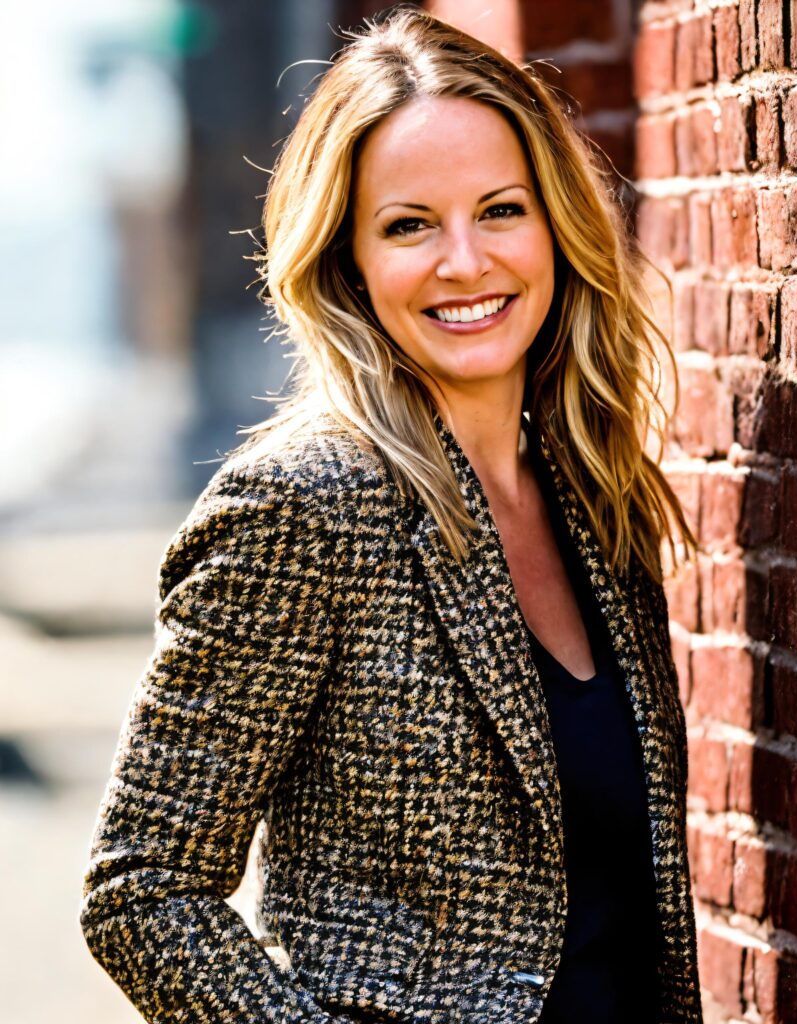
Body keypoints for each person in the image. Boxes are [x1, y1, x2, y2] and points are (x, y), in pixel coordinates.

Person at [80, 8, 703, 1023]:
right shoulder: (304, 505)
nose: (464, 261)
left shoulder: (594, 490)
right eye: (409, 224)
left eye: (500, 209)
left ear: (556, 225)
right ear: (350, 262)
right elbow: (142, 888)